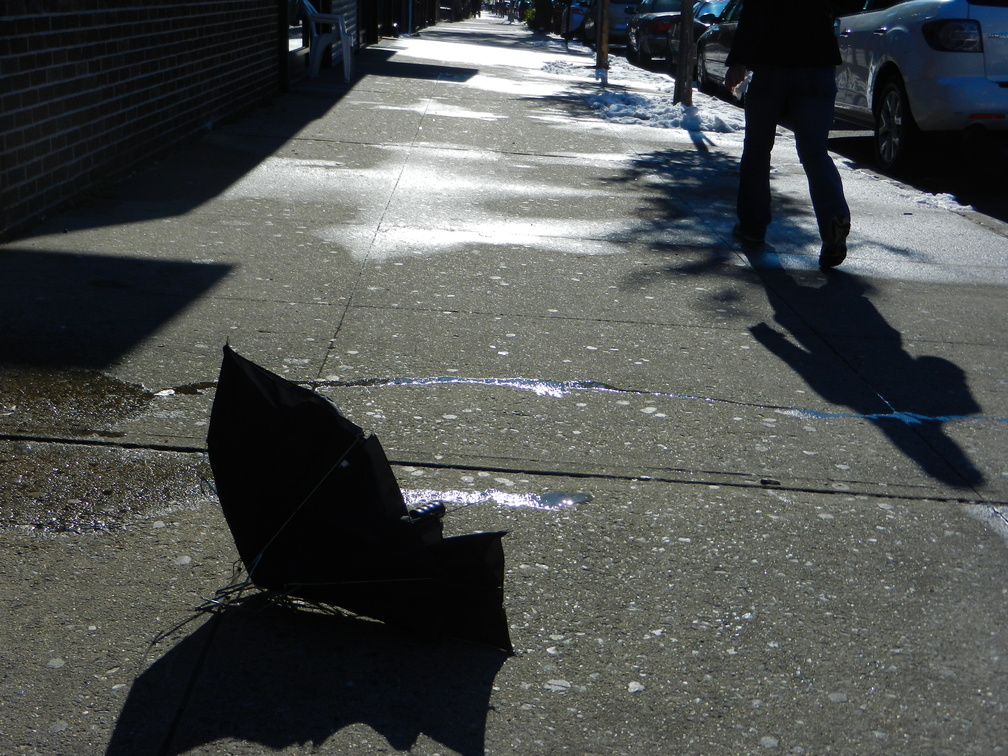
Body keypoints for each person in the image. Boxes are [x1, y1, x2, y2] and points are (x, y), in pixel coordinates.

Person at [725, 0, 851, 268]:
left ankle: (753, 225)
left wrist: (739, 61)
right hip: (818, 64)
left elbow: (754, 14)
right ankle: (833, 218)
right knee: (815, 152)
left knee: (758, 148)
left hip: (773, 63)